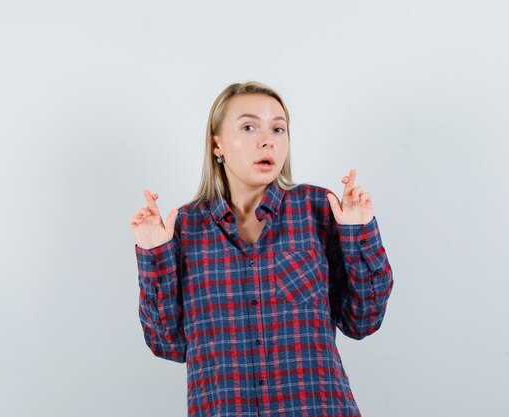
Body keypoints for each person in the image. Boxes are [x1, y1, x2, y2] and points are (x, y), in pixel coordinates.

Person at [129, 81, 393, 417]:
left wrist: (359, 231)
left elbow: (363, 321)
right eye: (249, 126)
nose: (267, 139)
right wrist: (154, 252)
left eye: (278, 129)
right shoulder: (182, 227)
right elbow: (169, 344)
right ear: (217, 144)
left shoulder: (317, 209)